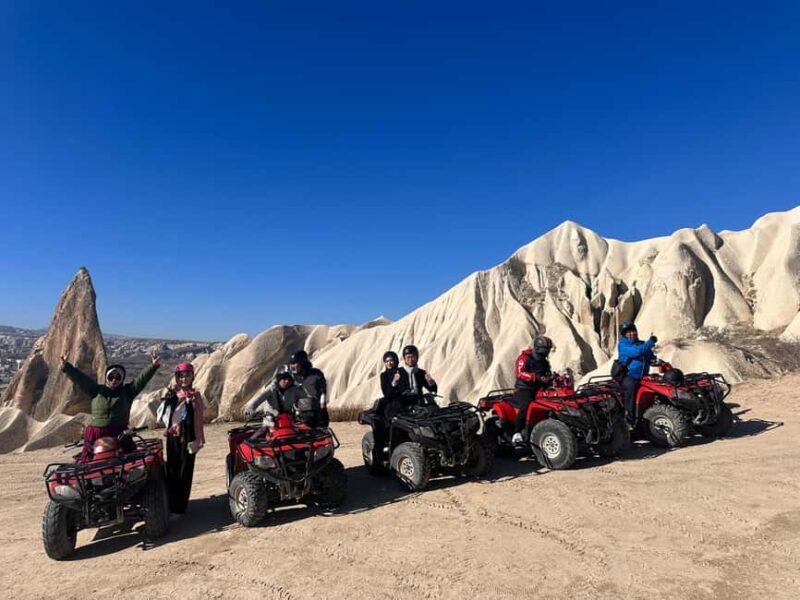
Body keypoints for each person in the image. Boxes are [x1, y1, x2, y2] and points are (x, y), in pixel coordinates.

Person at [60, 351, 160, 462]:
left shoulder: (127, 392)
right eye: (111, 377)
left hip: (119, 433)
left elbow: (141, 380)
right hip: (96, 433)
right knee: (90, 460)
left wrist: (153, 366)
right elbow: (81, 379)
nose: (114, 380)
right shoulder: (96, 390)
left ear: (121, 379)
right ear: (107, 377)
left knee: (128, 458)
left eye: (117, 377)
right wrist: (66, 366)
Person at [157, 362, 205, 514]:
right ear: (177, 377)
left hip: (188, 437)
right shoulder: (173, 394)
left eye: (187, 376)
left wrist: (190, 404)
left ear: (192, 377)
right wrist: (170, 397)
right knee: (172, 469)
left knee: (185, 470)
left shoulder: (196, 396)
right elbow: (164, 414)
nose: (184, 379)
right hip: (173, 436)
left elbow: (197, 418)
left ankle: (180, 507)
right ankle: (171, 504)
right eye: (181, 376)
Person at [511, 336, 554, 445]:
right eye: (545, 350)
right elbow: (520, 373)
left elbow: (547, 373)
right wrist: (535, 377)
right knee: (526, 404)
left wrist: (551, 378)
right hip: (524, 389)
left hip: (539, 388)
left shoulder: (544, 362)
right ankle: (517, 432)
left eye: (548, 350)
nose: (546, 353)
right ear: (538, 348)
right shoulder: (524, 358)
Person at [617, 321, 657, 425]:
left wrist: (656, 361)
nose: (632, 333)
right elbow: (636, 352)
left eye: (633, 331)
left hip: (643, 376)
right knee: (630, 387)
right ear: (624, 334)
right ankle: (629, 418)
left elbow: (649, 356)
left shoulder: (641, 344)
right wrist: (650, 342)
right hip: (628, 375)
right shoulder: (623, 345)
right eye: (629, 332)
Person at [288, 350, 329, 427]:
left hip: (317, 412)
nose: (292, 366)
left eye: (295, 363)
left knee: (322, 433)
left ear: (303, 363)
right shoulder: (289, 378)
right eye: (291, 363)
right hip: (299, 415)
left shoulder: (316, 374)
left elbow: (323, 391)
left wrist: (322, 409)